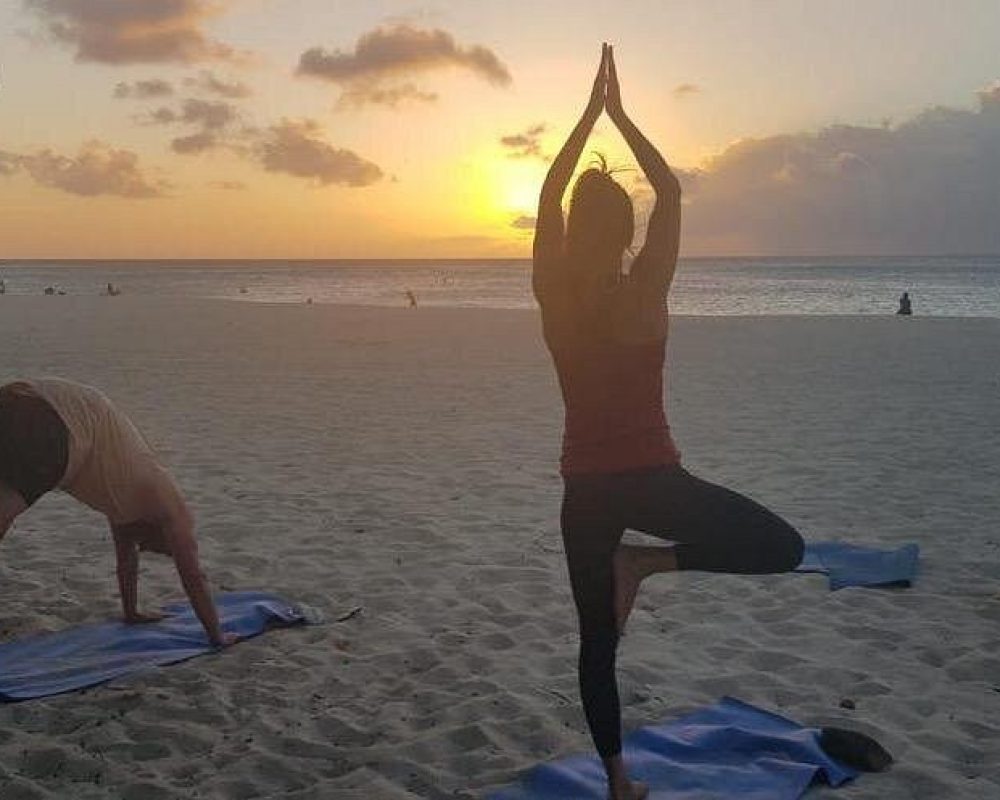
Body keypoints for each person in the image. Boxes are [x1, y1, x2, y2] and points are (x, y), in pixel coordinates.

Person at [533, 45, 805, 800]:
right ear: (624, 230)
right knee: (782, 547)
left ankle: (619, 781)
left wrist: (587, 118)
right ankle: (650, 564)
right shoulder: (645, 285)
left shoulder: (553, 294)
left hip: (585, 491)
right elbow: (672, 194)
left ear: (569, 231)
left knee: (596, 644)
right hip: (653, 481)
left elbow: (551, 194)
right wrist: (619, 116)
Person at [0, 378, 236, 646]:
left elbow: (126, 562)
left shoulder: (126, 506)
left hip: (18, 399)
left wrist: (131, 612)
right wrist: (217, 635)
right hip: (46, 418)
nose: (150, 549)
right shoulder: (170, 506)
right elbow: (194, 575)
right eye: (162, 549)